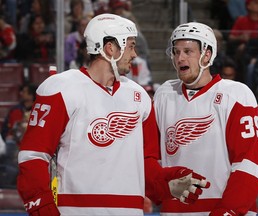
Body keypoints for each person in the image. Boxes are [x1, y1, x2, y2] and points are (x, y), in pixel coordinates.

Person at [17, 13, 210, 216]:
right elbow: (33, 156)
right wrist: (43, 208)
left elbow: (146, 163)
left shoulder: (139, 97)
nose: (134, 54)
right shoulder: (61, 88)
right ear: (110, 48)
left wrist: (168, 184)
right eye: (131, 46)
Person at [153, 22, 258, 215]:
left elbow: (249, 161)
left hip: (225, 209)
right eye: (176, 51)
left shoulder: (236, 95)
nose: (180, 58)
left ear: (207, 54)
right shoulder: (164, 94)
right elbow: (153, 159)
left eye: (188, 51)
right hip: (174, 211)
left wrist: (228, 210)